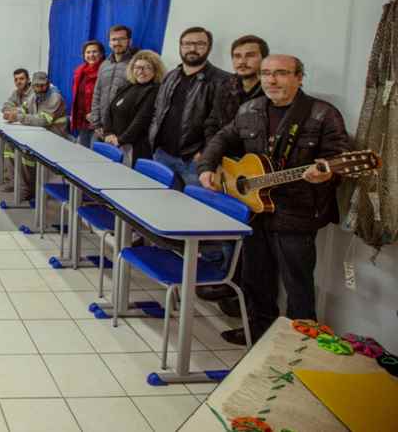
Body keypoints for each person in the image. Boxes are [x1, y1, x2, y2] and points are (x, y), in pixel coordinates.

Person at [198, 55, 349, 346]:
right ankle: (259, 332)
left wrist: (326, 173)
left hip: (297, 213)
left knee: (298, 284)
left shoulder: (322, 113)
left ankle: (297, 344)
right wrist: (207, 166)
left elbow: (339, 158)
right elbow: (221, 138)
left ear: (299, 77)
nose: (272, 80)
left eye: (281, 73)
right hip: (256, 210)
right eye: (267, 73)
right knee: (257, 278)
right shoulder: (250, 109)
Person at [195, 35, 268, 310]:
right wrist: (213, 156)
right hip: (226, 168)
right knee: (231, 234)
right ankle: (230, 286)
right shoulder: (227, 86)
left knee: (253, 245)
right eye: (238, 56)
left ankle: (247, 304)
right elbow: (214, 124)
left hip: (254, 174)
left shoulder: (267, 93)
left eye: (250, 55)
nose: (242, 61)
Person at [148, 27, 230, 188]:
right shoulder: (171, 75)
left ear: (209, 47)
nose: (192, 49)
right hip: (162, 154)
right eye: (187, 44)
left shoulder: (222, 81)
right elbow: (158, 110)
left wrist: (207, 154)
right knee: (157, 203)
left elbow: (223, 125)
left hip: (194, 161)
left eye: (199, 44)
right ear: (180, 46)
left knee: (191, 209)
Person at [5, 72, 68, 202]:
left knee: (25, 153)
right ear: (32, 85)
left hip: (54, 136)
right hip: (39, 133)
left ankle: (30, 189)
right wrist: (12, 112)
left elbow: (43, 121)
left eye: (42, 86)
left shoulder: (55, 97)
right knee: (9, 146)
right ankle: (17, 183)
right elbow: (24, 108)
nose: (39, 89)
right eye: (36, 86)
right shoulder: (34, 95)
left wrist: (18, 117)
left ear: (47, 84)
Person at [103, 51, 164, 164]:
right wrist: (108, 132)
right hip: (114, 142)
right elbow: (110, 110)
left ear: (156, 71)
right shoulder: (127, 86)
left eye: (147, 68)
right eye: (138, 67)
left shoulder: (154, 90)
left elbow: (141, 120)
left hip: (133, 147)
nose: (141, 71)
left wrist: (121, 140)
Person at [89, 24, 138, 141]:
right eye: (114, 39)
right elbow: (97, 93)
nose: (117, 42)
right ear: (109, 42)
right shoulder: (104, 64)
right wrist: (96, 123)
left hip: (121, 131)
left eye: (121, 39)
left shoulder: (136, 65)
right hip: (101, 127)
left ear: (129, 41)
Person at [0, 68, 32, 191]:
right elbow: (5, 106)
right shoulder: (16, 93)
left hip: (33, 129)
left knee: (21, 151)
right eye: (16, 80)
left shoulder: (34, 93)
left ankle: (25, 187)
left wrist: (15, 112)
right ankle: (13, 182)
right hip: (21, 127)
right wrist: (12, 111)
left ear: (28, 79)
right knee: (7, 146)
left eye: (22, 79)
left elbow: (27, 110)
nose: (19, 82)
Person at [71, 40, 106, 147]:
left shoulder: (105, 71)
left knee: (94, 153)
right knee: (82, 151)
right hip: (82, 120)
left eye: (95, 52)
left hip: (98, 121)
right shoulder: (79, 71)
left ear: (101, 54)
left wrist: (96, 115)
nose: (91, 55)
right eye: (88, 52)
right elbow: (76, 96)